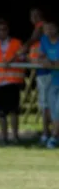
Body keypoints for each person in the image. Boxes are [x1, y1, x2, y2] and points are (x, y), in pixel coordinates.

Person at [0, 19, 26, 144]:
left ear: (8, 30)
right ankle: (4, 137)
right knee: (1, 112)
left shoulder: (16, 43)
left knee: (14, 111)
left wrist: (14, 59)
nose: (1, 32)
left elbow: (23, 57)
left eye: (4, 29)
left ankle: (15, 137)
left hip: (12, 81)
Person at [22, 8, 52, 144]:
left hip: (47, 71)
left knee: (47, 104)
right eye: (32, 16)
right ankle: (48, 132)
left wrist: (22, 50)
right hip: (40, 69)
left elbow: (32, 39)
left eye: (36, 15)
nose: (34, 18)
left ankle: (48, 133)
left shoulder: (41, 28)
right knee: (45, 104)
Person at [39, 19, 59, 149]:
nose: (49, 31)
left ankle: (53, 137)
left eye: (52, 28)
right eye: (47, 28)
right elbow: (40, 57)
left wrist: (50, 63)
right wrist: (48, 61)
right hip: (53, 80)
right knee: (53, 111)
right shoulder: (44, 40)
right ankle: (54, 136)